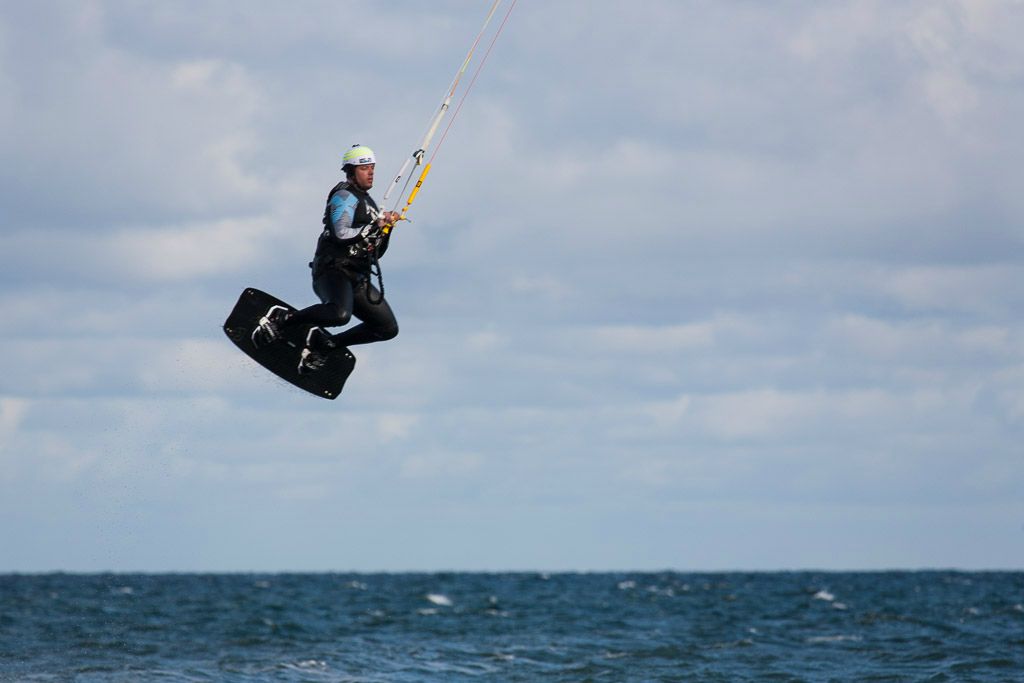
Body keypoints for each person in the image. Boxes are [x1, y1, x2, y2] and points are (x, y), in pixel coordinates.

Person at [251, 144, 401, 374]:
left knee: (386, 328)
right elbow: (341, 234)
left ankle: (324, 345)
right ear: (351, 171)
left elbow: (376, 253)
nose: (370, 172)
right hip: (333, 270)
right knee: (340, 315)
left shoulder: (370, 204)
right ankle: (281, 319)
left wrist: (386, 230)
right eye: (364, 168)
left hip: (357, 277)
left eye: (372, 168)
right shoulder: (344, 195)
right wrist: (374, 225)